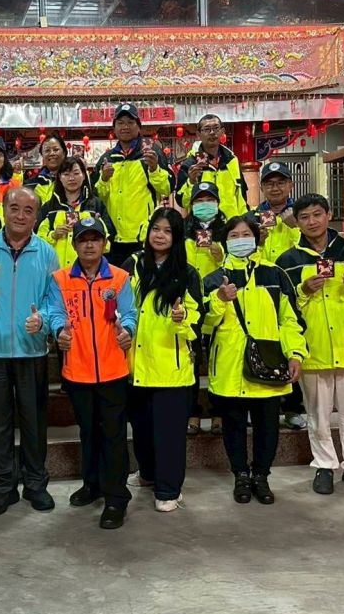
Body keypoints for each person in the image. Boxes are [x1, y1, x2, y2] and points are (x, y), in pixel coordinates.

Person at [0, 187, 60, 516]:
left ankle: (35, 484)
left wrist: (42, 319)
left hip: (32, 352)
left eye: (28, 210)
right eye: (14, 208)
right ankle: (4, 487)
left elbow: (54, 300)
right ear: (3, 209)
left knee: (34, 422)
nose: (20, 215)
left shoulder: (46, 252)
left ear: (37, 216)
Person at [277, 194, 344, 497]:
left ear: (329, 214)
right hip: (313, 349)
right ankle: (324, 465)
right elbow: (284, 308)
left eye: (317, 214)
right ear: (297, 223)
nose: (312, 221)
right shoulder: (287, 261)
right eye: (305, 217)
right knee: (318, 416)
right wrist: (303, 289)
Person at [205, 215, 307, 505]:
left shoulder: (274, 274)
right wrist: (219, 300)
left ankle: (261, 475)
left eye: (245, 234)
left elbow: (289, 319)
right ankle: (240, 474)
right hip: (229, 365)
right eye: (233, 236)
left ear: (256, 237)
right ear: (225, 242)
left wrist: (295, 353)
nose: (240, 240)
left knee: (267, 426)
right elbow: (204, 326)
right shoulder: (213, 279)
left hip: (268, 363)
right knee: (234, 425)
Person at [47, 217, 137, 529]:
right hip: (77, 371)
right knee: (88, 432)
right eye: (83, 239)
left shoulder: (120, 278)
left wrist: (127, 330)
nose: (89, 245)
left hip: (113, 370)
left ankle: (116, 498)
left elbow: (129, 313)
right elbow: (55, 313)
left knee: (113, 435)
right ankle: (92, 483)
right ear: (74, 245)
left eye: (95, 239)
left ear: (104, 244)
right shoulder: (60, 279)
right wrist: (58, 330)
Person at [122, 209, 203, 513]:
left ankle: (169, 489)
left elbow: (197, 318)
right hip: (135, 364)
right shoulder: (133, 265)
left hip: (171, 366)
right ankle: (147, 474)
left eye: (167, 231)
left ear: (177, 237)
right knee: (142, 429)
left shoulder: (187, 273)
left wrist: (183, 317)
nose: (160, 235)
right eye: (156, 229)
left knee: (169, 435)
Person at [255, 161, 305, 430]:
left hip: (296, 290)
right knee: (262, 345)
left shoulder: (302, 214)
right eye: (269, 183)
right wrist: (258, 241)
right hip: (262, 290)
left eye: (280, 182)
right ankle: (260, 403)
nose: (275, 188)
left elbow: (311, 248)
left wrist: (295, 225)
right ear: (262, 187)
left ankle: (293, 407)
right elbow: (243, 252)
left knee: (291, 345)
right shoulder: (253, 216)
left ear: (290, 185)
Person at [93, 103, 173, 266]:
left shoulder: (151, 153)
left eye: (130, 122)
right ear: (114, 127)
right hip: (112, 238)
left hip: (143, 237)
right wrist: (104, 180)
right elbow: (97, 197)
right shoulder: (107, 159)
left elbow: (167, 189)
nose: (125, 127)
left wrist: (154, 169)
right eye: (120, 123)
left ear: (139, 126)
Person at [184, 182, 227, 437]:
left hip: (217, 299)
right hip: (189, 300)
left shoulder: (228, 230)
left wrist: (221, 256)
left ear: (218, 203)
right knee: (191, 359)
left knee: (217, 357)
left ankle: (219, 410)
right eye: (199, 200)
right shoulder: (183, 230)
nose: (204, 205)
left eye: (209, 200)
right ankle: (192, 411)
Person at [36, 156, 115, 269]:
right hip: (56, 271)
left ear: (84, 175)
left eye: (76, 173)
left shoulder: (96, 205)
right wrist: (53, 235)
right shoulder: (49, 208)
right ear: (59, 177)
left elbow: (107, 244)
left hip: (88, 271)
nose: (71, 178)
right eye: (66, 174)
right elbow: (37, 242)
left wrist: (96, 229)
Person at [175, 114, 248, 219]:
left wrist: (244, 220)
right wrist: (191, 182)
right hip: (204, 225)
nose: (212, 132)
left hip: (231, 224)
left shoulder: (232, 160)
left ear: (222, 131)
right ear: (198, 135)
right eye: (207, 129)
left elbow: (241, 195)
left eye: (216, 128)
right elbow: (182, 202)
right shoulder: (191, 163)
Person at [25, 135, 68, 205]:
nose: (52, 153)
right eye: (47, 150)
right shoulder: (30, 184)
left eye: (56, 150)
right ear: (42, 155)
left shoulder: (74, 180)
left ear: (64, 153)